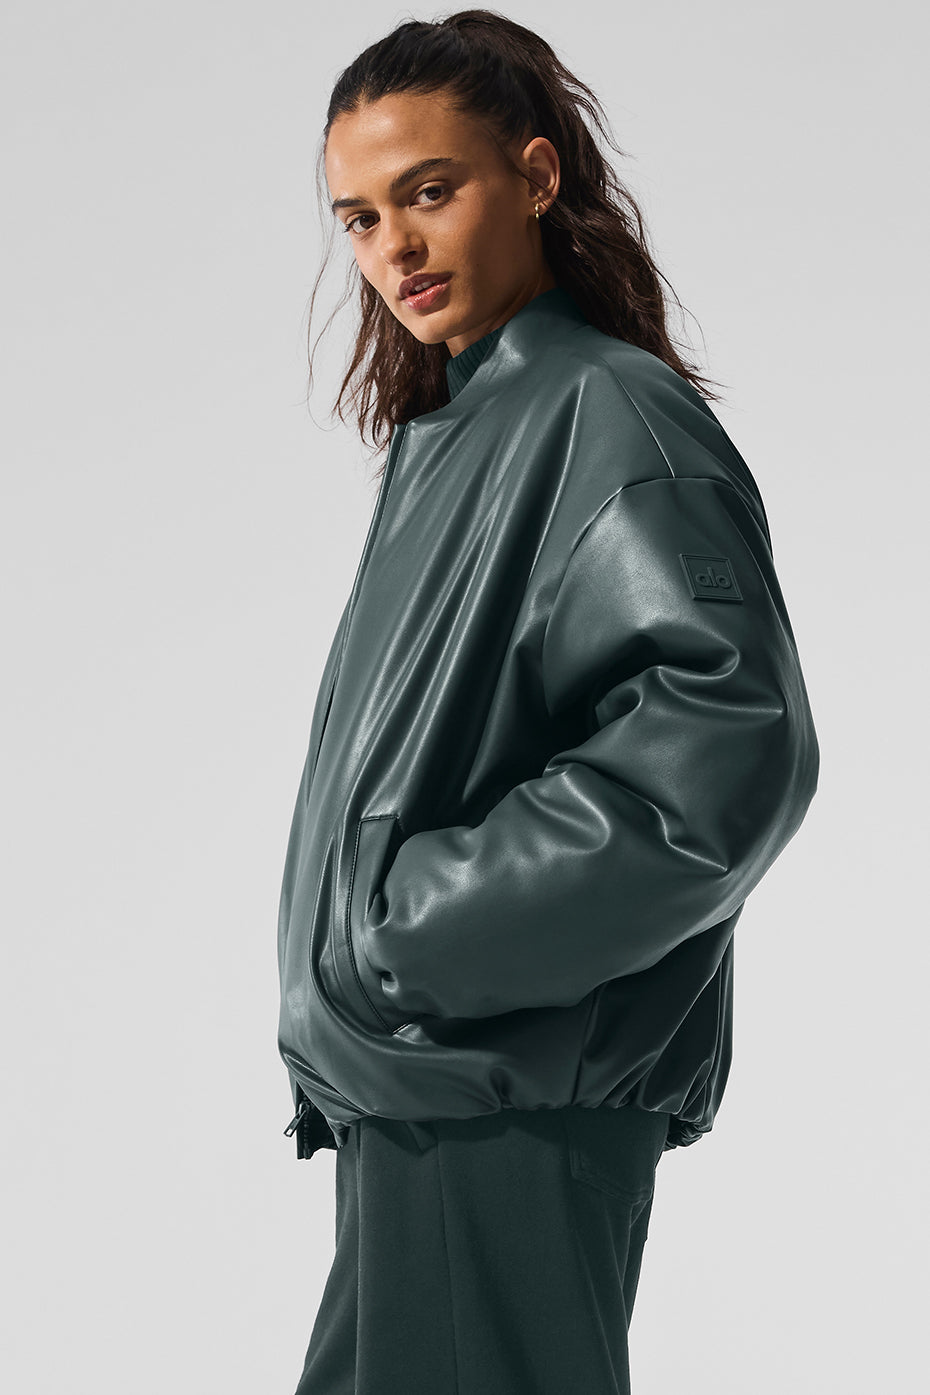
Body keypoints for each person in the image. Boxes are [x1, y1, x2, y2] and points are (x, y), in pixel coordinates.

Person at [275, 10, 820, 1393]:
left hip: (498, 1089)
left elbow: (723, 748)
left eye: (429, 192)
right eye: (358, 218)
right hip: (436, 1091)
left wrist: (418, 937)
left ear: (533, 176)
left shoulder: (603, 412)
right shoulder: (472, 430)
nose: (392, 248)